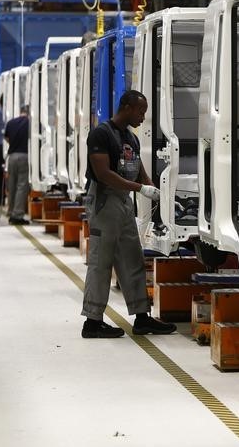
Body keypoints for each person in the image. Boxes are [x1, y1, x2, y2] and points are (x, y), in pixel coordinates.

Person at [81, 89, 176, 338]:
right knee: (101, 261)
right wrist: (140, 188)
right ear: (126, 107)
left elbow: (135, 163)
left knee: (133, 258)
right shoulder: (101, 134)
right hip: (104, 200)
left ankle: (142, 317)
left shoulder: (130, 137)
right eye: (140, 111)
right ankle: (92, 321)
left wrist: (149, 182)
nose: (143, 117)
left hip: (123, 202)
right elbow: (103, 174)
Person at [4, 104, 31, 225]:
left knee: (12, 185)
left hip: (12, 157)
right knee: (22, 186)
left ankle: (10, 211)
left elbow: (7, 138)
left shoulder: (11, 123)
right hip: (24, 156)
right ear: (28, 113)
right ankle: (17, 215)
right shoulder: (29, 123)